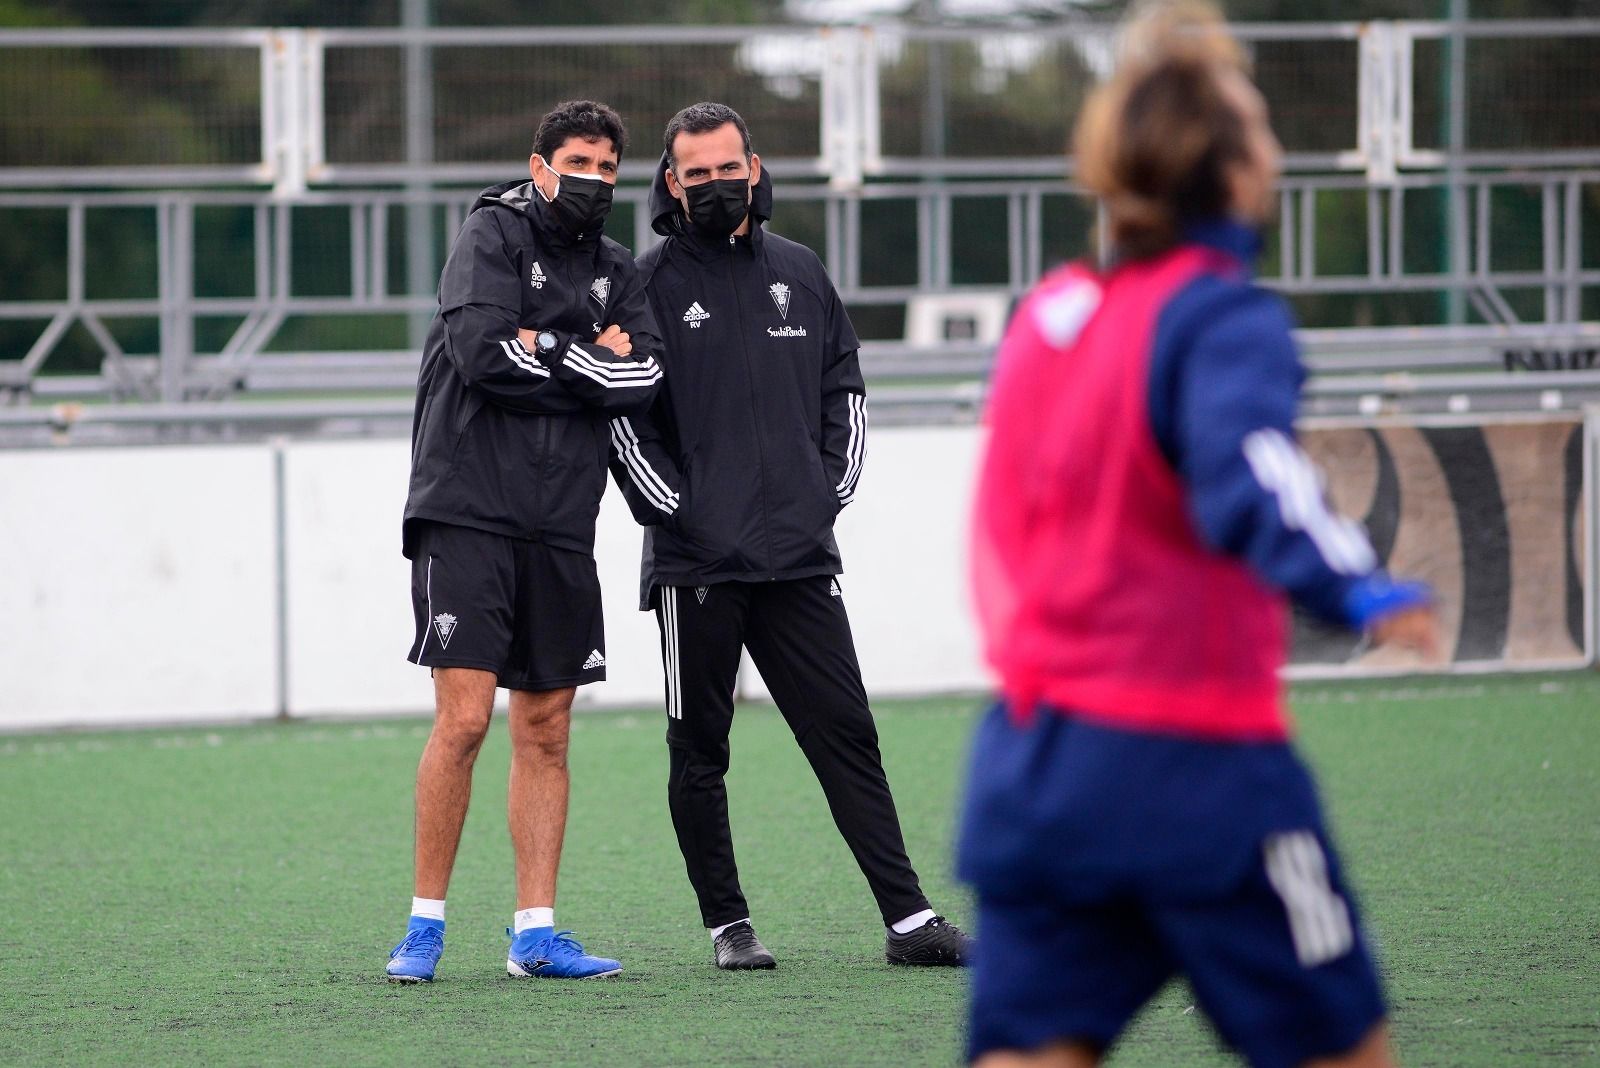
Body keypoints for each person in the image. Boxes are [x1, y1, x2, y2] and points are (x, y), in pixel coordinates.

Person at [959, 4, 1441, 1066]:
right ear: (1225, 169)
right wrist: (1356, 585)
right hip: (1196, 768)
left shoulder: (1051, 315)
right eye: (1260, 127)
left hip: (1037, 763)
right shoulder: (1221, 314)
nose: (1275, 149)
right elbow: (1253, 475)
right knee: (1342, 1049)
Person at [607, 101, 972, 971]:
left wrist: (823, 496)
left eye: (728, 169)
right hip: (697, 565)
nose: (716, 185)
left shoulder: (801, 272)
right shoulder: (646, 285)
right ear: (672, 183)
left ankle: (910, 921)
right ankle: (729, 927)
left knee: (846, 732)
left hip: (799, 558)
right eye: (697, 173)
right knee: (701, 748)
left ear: (755, 168)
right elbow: (624, 419)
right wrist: (681, 514)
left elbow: (845, 389)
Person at [386, 99, 663, 983]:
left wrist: (548, 346)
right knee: (465, 720)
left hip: (562, 520)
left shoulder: (618, 266)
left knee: (545, 729)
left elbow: (645, 376)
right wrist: (588, 356)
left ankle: (535, 936)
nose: (595, 180)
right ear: (540, 166)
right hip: (467, 508)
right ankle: (424, 927)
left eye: (609, 167)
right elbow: (481, 352)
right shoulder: (490, 236)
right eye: (579, 162)